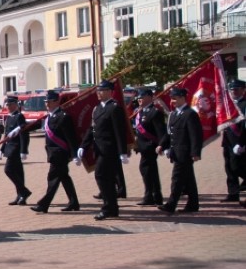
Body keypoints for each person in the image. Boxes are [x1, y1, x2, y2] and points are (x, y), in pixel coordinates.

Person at [78, 80, 130, 221]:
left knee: (100, 175)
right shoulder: (97, 108)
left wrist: (123, 152)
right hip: (99, 149)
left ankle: (107, 207)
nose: (98, 93)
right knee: (106, 178)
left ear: (109, 91)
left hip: (109, 149)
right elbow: (92, 129)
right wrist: (83, 146)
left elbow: (120, 131)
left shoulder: (114, 108)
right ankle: (113, 208)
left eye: (101, 90)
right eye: (98, 91)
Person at [30, 90, 79, 213]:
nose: (47, 104)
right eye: (46, 101)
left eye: (50, 101)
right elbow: (35, 126)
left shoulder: (63, 116)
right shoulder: (48, 117)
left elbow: (70, 137)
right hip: (52, 153)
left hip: (61, 153)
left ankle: (43, 204)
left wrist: (74, 154)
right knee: (64, 178)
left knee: (53, 178)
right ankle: (74, 202)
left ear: (57, 101)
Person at [157, 87, 203, 214]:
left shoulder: (190, 114)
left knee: (176, 179)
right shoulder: (173, 114)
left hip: (185, 152)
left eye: (175, 98)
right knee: (188, 180)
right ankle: (193, 204)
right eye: (171, 99)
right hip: (175, 152)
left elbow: (195, 135)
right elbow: (169, 133)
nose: (172, 101)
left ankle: (170, 205)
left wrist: (195, 152)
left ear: (183, 98)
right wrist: (162, 145)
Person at [133, 88, 166, 206]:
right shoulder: (140, 111)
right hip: (142, 147)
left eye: (142, 97)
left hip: (150, 147)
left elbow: (161, 132)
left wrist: (162, 145)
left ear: (149, 97)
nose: (139, 99)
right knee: (149, 171)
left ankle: (151, 196)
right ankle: (155, 195)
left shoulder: (154, 112)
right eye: (138, 97)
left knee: (147, 170)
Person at [0, 96, 32, 205]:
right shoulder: (8, 117)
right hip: (9, 148)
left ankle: (24, 192)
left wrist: (24, 150)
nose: (7, 107)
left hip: (16, 148)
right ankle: (21, 196)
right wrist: (2, 149)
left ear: (15, 104)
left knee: (8, 170)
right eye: (7, 105)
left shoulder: (19, 116)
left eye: (9, 105)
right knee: (18, 173)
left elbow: (24, 133)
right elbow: (6, 135)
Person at [220, 79, 246, 204]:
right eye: (232, 89)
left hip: (240, 141)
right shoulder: (227, 105)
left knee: (238, 167)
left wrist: (243, 144)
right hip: (228, 141)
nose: (233, 91)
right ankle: (233, 193)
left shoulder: (244, 104)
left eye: (236, 89)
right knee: (229, 168)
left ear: (243, 90)